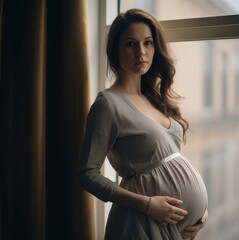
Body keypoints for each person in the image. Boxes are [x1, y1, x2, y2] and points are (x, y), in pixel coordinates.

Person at [79, 8, 208, 240]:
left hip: (174, 227)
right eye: (130, 44)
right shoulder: (108, 104)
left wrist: (199, 212)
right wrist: (148, 205)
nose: (141, 52)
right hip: (140, 222)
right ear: (115, 50)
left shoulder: (155, 99)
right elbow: (87, 174)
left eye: (148, 43)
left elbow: (172, 163)